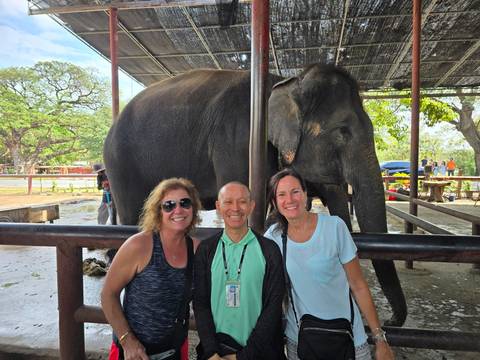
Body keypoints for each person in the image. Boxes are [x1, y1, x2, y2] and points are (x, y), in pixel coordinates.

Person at [264, 168, 394, 360]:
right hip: (300, 338)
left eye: (295, 192)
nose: (290, 200)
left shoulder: (334, 227)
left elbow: (358, 285)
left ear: (306, 194)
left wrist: (379, 338)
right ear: (275, 202)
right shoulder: (274, 237)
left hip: (346, 334)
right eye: (281, 195)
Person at [101, 178, 202, 360]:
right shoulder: (139, 245)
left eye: (185, 203)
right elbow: (108, 294)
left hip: (175, 349)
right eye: (169, 205)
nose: (177, 210)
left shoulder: (197, 249)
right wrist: (127, 341)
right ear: (158, 211)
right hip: (134, 353)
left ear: (193, 209)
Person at [193, 182, 285, 360]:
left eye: (242, 202)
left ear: (252, 206)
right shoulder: (206, 250)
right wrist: (211, 352)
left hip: (258, 354)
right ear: (218, 207)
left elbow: (273, 308)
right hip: (217, 352)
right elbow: (200, 304)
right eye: (228, 202)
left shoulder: (269, 250)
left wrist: (243, 357)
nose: (235, 208)